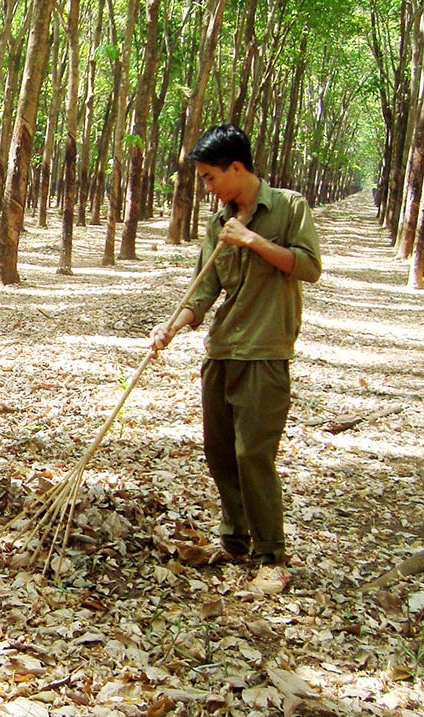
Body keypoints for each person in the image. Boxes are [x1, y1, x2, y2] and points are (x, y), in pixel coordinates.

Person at [150, 124, 322, 591]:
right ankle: (236, 540)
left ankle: (271, 553)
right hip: (222, 349)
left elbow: (308, 267)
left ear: (237, 168)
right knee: (221, 452)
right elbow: (205, 289)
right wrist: (174, 325)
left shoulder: (289, 207)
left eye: (209, 177)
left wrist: (251, 240)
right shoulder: (216, 223)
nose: (206, 187)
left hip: (265, 352)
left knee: (254, 455)